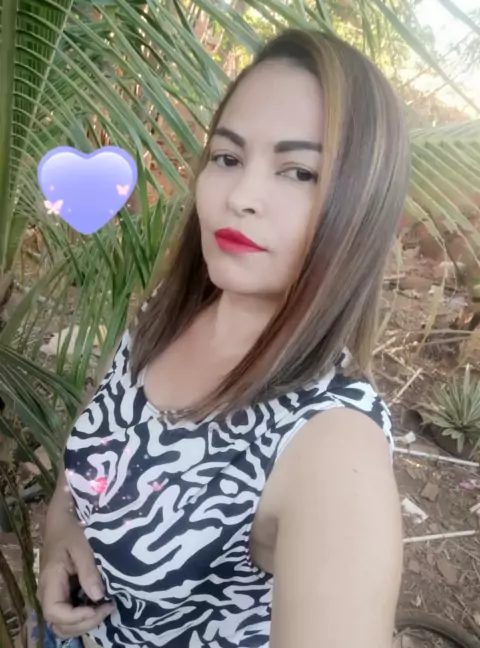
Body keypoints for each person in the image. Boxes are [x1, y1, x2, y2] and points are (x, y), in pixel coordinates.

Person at [38, 27, 410, 648]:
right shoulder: (165, 315)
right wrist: (58, 537)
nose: (241, 197)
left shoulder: (331, 448)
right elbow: (91, 461)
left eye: (299, 172)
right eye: (228, 158)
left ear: (361, 208)